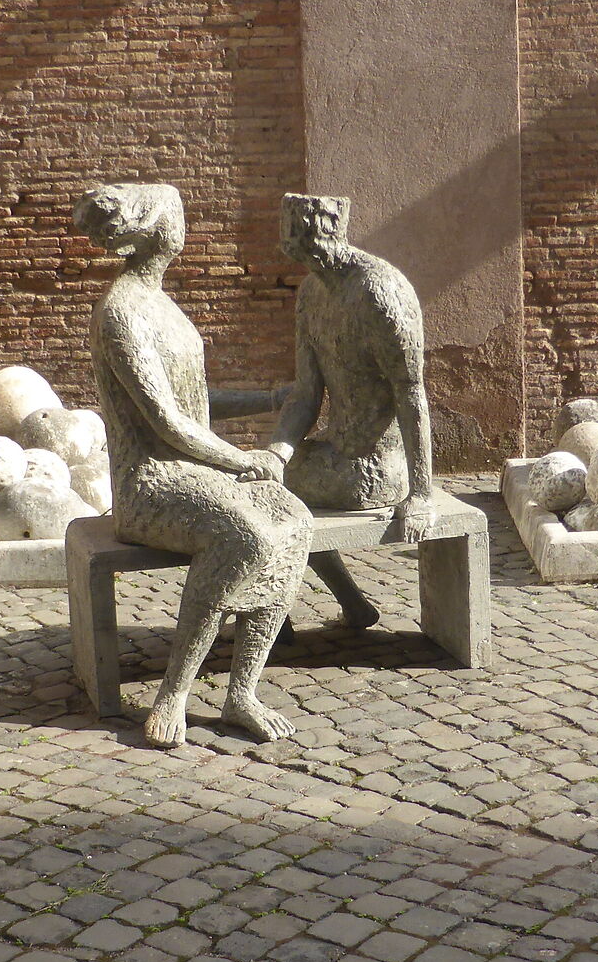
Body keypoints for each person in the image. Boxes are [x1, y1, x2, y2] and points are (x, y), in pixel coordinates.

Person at [80, 182, 311, 747]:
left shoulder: (164, 307)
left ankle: (242, 693)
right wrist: (247, 462)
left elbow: (198, 407)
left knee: (295, 520)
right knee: (248, 537)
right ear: (157, 229)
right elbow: (167, 424)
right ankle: (174, 694)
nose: (185, 228)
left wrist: (268, 397)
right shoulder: (122, 313)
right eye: (179, 216)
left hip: (196, 470)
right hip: (150, 483)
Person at [264, 192, 438, 630]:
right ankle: (343, 606)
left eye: (306, 240)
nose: (301, 250)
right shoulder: (311, 291)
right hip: (331, 451)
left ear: (329, 232)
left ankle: (272, 619)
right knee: (262, 484)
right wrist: (276, 454)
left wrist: (421, 495)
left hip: (377, 466)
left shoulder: (380, 292)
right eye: (293, 242)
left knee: (261, 502)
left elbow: (411, 393)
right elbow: (307, 394)